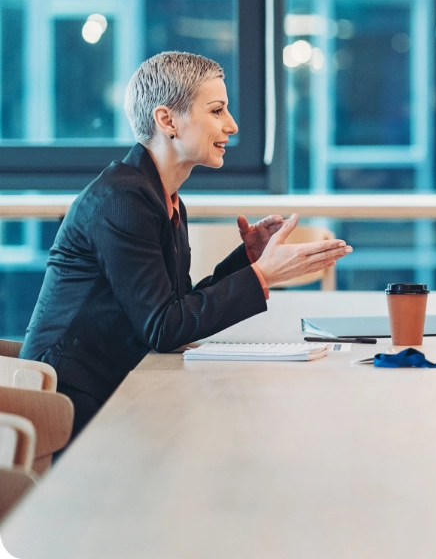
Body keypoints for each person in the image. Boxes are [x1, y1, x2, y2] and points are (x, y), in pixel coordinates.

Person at [20, 51, 352, 445]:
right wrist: (264, 275)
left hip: (111, 390)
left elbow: (172, 311)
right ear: (167, 120)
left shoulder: (160, 197)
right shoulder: (122, 198)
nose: (232, 125)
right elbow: (164, 328)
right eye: (216, 111)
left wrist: (249, 260)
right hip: (67, 405)